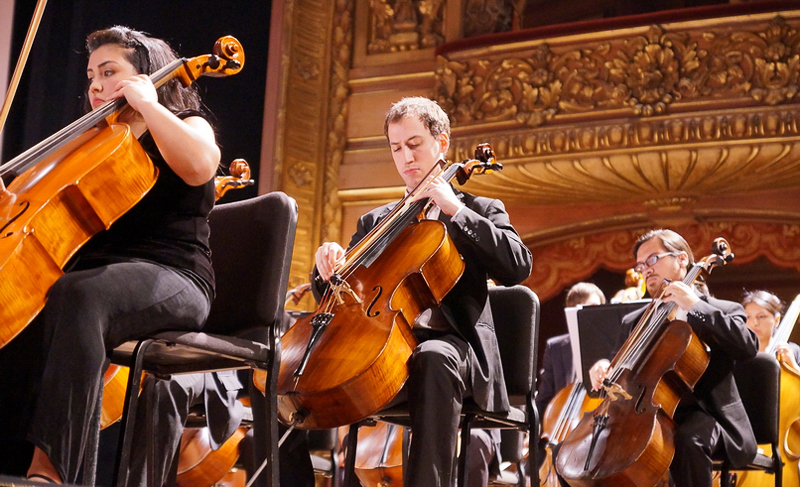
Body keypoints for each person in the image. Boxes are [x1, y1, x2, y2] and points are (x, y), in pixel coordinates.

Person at [0, 25, 220, 484]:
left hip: (175, 276)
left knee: (78, 296)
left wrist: (148, 105)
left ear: (147, 75)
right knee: (24, 307)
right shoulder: (95, 140)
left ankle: (51, 472)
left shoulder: (187, 123)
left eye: (109, 72)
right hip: (102, 277)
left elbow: (200, 165)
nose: (96, 85)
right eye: (90, 75)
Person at [314, 96, 533, 486]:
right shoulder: (375, 221)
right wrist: (326, 267)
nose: (405, 157)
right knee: (304, 368)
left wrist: (455, 210)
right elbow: (340, 297)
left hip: (454, 350)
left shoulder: (479, 208)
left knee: (432, 357)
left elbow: (518, 265)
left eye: (414, 144)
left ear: (442, 143)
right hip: (383, 350)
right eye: (396, 148)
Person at [586, 229, 758, 487]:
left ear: (681, 260)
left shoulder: (722, 310)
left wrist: (695, 306)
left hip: (711, 420)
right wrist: (602, 370)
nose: (645, 270)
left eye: (653, 259)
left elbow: (748, 348)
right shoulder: (634, 323)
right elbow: (616, 376)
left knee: (687, 440)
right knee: (587, 452)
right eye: (641, 265)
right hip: (648, 419)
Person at [534, 282, 606, 416]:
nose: (589, 315)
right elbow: (544, 398)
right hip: (563, 422)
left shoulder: (612, 345)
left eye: (594, 308)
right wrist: (534, 431)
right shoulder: (555, 348)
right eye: (582, 309)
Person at [742, 289, 800, 367]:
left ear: (776, 320)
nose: (754, 323)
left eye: (761, 316)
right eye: (748, 317)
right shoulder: (737, 352)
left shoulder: (792, 351)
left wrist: (793, 365)